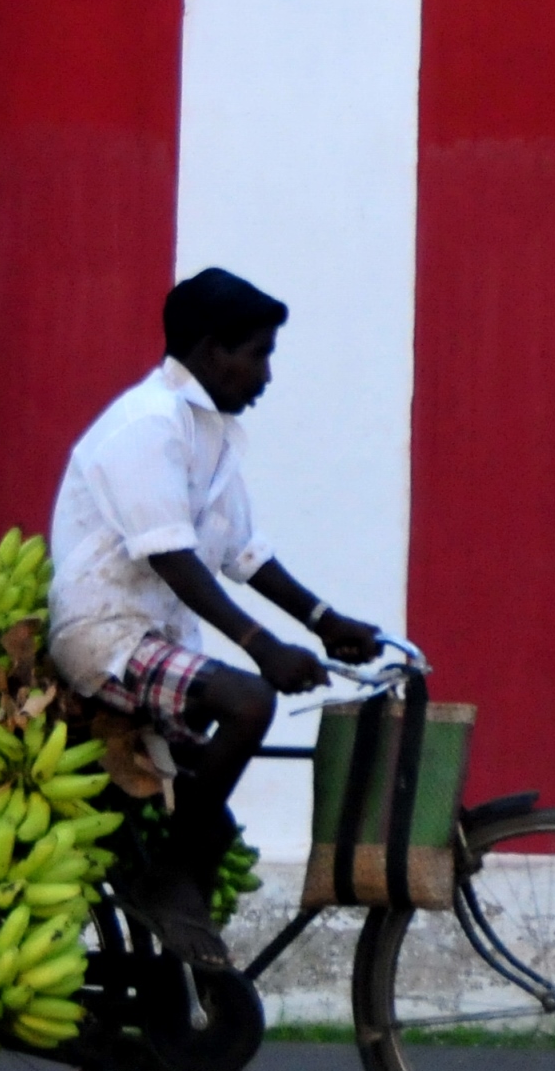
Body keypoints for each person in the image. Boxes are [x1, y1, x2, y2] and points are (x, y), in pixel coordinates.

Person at [45, 267, 384, 970]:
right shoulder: (148, 427)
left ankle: (196, 1037)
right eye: (256, 353)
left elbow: (243, 554)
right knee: (248, 701)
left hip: (157, 644)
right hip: (103, 637)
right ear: (207, 349)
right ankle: (167, 875)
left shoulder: (212, 435)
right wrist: (264, 648)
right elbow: (175, 559)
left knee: (214, 832)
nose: (264, 373)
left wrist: (325, 621)